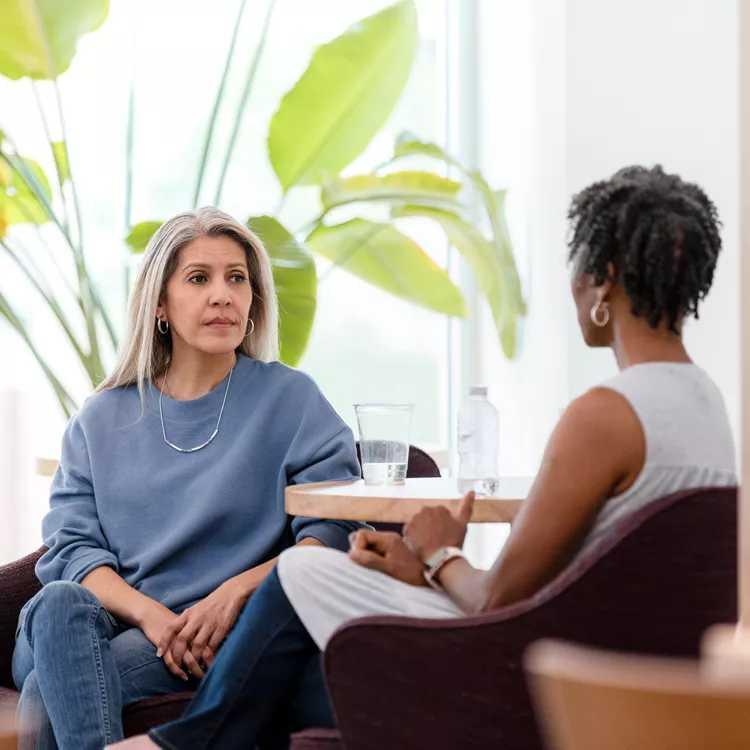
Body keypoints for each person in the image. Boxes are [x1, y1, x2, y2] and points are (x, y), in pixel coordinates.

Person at [112, 165, 737, 750]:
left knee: (301, 571)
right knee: (308, 627)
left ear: (604, 280)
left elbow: (496, 600)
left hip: (537, 667)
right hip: (614, 658)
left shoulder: (605, 415)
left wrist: (441, 552)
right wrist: (422, 570)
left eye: (577, 265)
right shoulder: (705, 401)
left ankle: (190, 740)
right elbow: (582, 580)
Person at [11, 207, 365, 750]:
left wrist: (234, 592)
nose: (222, 295)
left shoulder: (291, 400)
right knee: (58, 603)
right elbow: (72, 548)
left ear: (253, 298)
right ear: (160, 303)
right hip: (106, 620)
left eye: (236, 278)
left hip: (207, 633)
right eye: (199, 278)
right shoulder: (100, 417)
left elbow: (334, 532)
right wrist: (150, 615)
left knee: (44, 690)